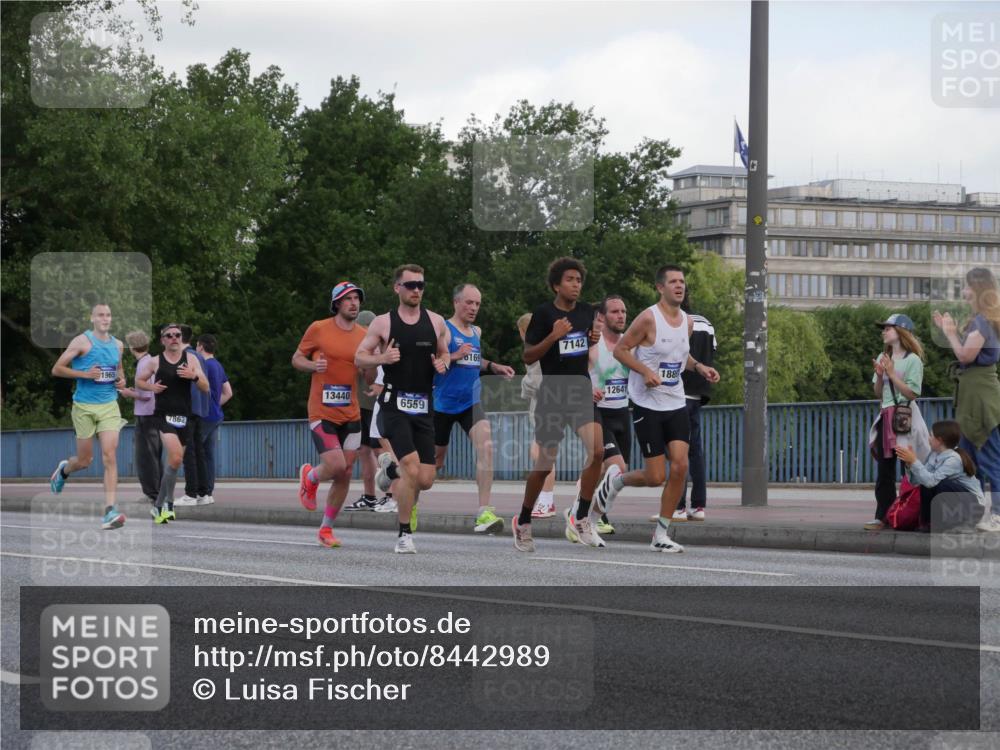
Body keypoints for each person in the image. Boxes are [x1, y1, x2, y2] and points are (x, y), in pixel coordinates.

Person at [603, 265, 720, 553]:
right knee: (655, 476)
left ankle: (661, 534)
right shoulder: (647, 318)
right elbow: (621, 350)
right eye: (673, 282)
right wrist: (644, 371)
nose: (679, 286)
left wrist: (700, 366)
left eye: (682, 281)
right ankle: (616, 480)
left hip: (675, 400)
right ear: (660, 287)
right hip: (647, 403)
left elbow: (682, 355)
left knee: (680, 466)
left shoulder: (687, 322)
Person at [513, 257, 608, 552]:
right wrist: (553, 336)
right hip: (552, 392)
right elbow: (528, 356)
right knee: (544, 465)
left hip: (579, 389)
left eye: (579, 280)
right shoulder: (543, 314)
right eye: (570, 280)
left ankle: (580, 516)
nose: (576, 285)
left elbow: (582, 345)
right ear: (556, 284)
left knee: (597, 451)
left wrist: (593, 338)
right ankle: (524, 520)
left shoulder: (586, 312)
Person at [355, 265, 450, 554]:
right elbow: (359, 357)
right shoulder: (383, 323)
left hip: (423, 406)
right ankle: (404, 535)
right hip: (393, 404)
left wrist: (443, 362)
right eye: (410, 285)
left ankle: (390, 469)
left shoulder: (436, 322)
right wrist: (382, 357)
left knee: (426, 479)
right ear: (398, 288)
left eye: (421, 285)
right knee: (412, 469)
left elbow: (445, 351)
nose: (416, 290)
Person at [434, 283, 515, 534]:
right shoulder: (443, 330)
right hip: (441, 405)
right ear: (456, 302)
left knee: (487, 447)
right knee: (433, 465)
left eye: (477, 304)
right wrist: (454, 355)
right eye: (469, 302)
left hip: (470, 402)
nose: (474, 308)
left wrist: (493, 366)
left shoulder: (476, 332)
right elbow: (434, 362)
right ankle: (402, 491)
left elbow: (474, 359)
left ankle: (484, 512)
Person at [293, 282, 368, 547]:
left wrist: (375, 371)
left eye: (357, 298)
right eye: (348, 299)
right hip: (322, 411)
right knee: (335, 465)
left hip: (351, 413)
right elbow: (296, 359)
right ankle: (310, 477)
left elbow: (369, 374)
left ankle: (326, 529)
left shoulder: (364, 335)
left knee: (345, 473)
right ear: (337, 303)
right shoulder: (319, 328)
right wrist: (313, 365)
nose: (354, 303)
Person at [48, 303, 127, 530]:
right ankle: (64, 470)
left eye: (108, 315)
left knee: (110, 455)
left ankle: (109, 510)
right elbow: (57, 369)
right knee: (85, 461)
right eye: (100, 315)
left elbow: (119, 370)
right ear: (92, 318)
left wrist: (121, 380)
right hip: (84, 406)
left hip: (109, 405)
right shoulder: (81, 342)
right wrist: (85, 374)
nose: (105, 318)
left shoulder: (118, 345)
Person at [933, 266, 1000, 533]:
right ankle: (976, 515)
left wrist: (949, 332)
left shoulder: (983, 321)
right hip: (976, 395)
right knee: (970, 460)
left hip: (980, 398)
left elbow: (965, 356)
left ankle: (996, 515)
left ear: (978, 289)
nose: (964, 290)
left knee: (989, 458)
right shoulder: (984, 319)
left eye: (967, 285)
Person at [136, 323, 210, 524]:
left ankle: (161, 505)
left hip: (184, 416)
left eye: (177, 335)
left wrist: (194, 376)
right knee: (176, 457)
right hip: (163, 415)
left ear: (181, 338)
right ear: (163, 340)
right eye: (169, 336)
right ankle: (164, 504)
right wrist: (151, 387)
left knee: (174, 463)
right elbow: (139, 382)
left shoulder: (191, 359)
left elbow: (206, 387)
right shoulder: (154, 361)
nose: (174, 338)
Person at [864, 313, 930, 531]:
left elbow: (912, 393)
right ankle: (882, 516)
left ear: (901, 331)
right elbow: (878, 394)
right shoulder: (883, 356)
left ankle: (912, 514)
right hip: (886, 416)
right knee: (885, 468)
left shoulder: (913, 360)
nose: (883, 331)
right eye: (883, 328)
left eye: (888, 328)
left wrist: (892, 374)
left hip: (904, 418)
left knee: (910, 466)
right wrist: (881, 376)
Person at [584, 295, 631, 536]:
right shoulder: (593, 345)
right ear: (602, 317)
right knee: (616, 467)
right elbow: (570, 371)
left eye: (623, 311)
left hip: (622, 412)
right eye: (614, 311)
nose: (621, 316)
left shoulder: (630, 344)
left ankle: (583, 510)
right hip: (598, 413)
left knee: (610, 471)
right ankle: (592, 516)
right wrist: (586, 388)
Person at [344, 310, 395, 513]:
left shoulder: (379, 346)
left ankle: (391, 495)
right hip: (359, 405)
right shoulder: (355, 345)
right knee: (364, 451)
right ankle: (369, 497)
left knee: (381, 450)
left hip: (377, 405)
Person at [673, 294, 717, 522]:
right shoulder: (707, 323)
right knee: (695, 451)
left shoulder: (676, 321)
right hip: (698, 393)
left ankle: (678, 506)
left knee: (677, 451)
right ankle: (699, 506)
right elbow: (713, 352)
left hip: (676, 392)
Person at [896, 420, 985, 532]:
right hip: (961, 502)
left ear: (939, 441)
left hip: (973, 508)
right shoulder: (933, 454)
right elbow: (918, 481)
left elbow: (931, 481)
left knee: (942, 485)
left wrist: (914, 461)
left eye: (931, 435)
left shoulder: (953, 459)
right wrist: (909, 464)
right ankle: (928, 523)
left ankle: (964, 523)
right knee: (928, 483)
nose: (928, 438)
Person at [518, 313, 556, 519]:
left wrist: (523, 387)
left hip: (543, 403)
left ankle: (547, 500)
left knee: (541, 454)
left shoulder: (535, 351)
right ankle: (545, 499)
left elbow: (534, 381)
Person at [117, 330, 160, 505]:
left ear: (132, 347)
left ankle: (152, 494)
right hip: (154, 414)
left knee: (145, 457)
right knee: (155, 456)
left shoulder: (143, 364)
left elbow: (147, 394)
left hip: (146, 415)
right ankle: (157, 492)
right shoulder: (152, 361)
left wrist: (128, 393)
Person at [193, 334, 231, 505]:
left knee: (194, 452)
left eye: (196, 345)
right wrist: (216, 405)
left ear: (201, 346)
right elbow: (228, 392)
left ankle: (197, 491)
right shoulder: (218, 365)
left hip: (204, 415)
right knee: (209, 455)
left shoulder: (204, 366)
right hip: (215, 415)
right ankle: (208, 492)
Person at [178, 325, 212, 505]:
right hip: (199, 408)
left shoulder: (183, 357)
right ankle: (204, 492)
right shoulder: (199, 357)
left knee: (188, 451)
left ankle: (190, 493)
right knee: (199, 451)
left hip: (187, 408)